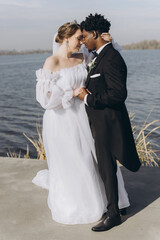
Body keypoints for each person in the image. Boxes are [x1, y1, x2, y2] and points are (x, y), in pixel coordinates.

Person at [32, 21, 130, 225]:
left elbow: (106, 57)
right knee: (75, 161)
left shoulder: (82, 56)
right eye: (78, 38)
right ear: (66, 38)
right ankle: (82, 205)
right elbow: (46, 101)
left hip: (85, 115)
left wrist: (109, 40)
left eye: (83, 37)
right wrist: (72, 93)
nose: (82, 41)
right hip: (62, 119)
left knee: (93, 158)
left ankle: (111, 202)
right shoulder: (51, 62)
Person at [78, 13, 141, 231]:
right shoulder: (99, 55)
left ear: (95, 34)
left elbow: (118, 94)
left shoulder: (112, 58)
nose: (83, 41)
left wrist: (86, 98)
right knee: (106, 168)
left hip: (108, 122)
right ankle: (113, 208)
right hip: (99, 122)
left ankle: (113, 215)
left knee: (107, 167)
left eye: (85, 36)